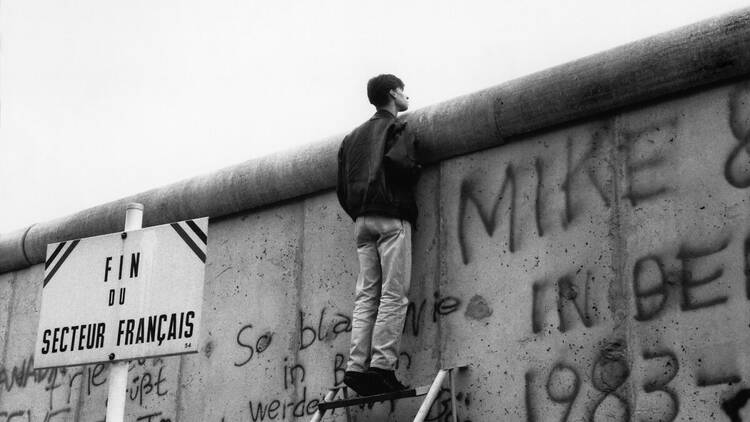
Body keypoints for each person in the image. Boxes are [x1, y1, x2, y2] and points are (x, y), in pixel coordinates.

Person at [336, 74, 420, 396]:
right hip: (390, 217)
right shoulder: (397, 128)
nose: (406, 94)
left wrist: (360, 211)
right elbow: (404, 167)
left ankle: (355, 368)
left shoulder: (351, 138)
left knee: (366, 295)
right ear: (393, 93)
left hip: (362, 222)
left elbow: (342, 188)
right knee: (393, 294)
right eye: (402, 89)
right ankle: (382, 367)